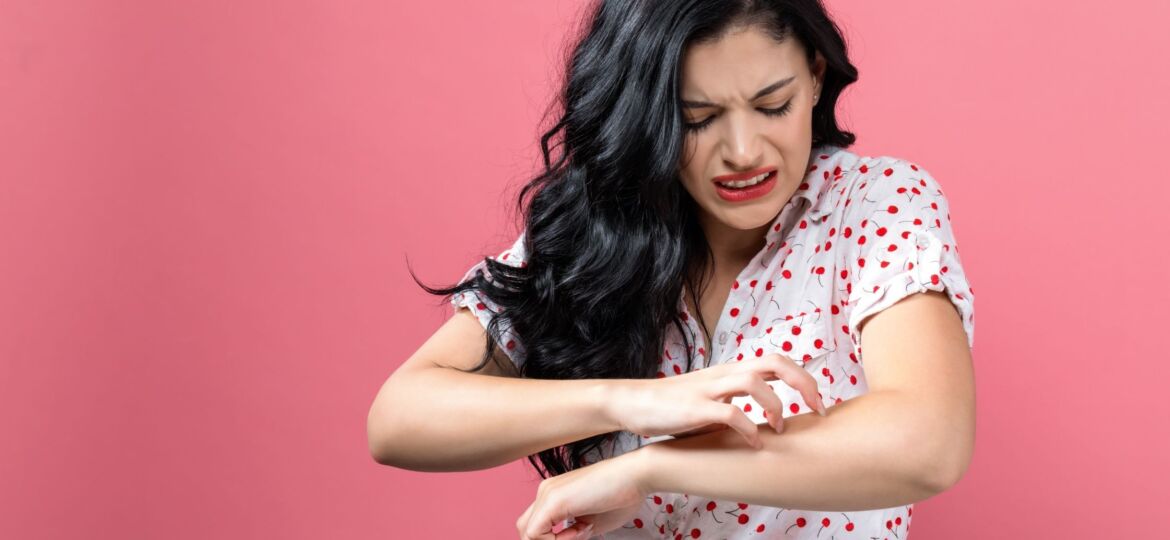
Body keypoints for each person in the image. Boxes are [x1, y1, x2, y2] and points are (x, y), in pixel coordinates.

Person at [367, 1, 976, 538]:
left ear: (816, 77)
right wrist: (632, 403)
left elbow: (927, 441)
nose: (743, 151)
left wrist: (648, 467)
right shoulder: (600, 231)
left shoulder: (873, 206)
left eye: (773, 104)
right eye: (697, 118)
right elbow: (399, 419)